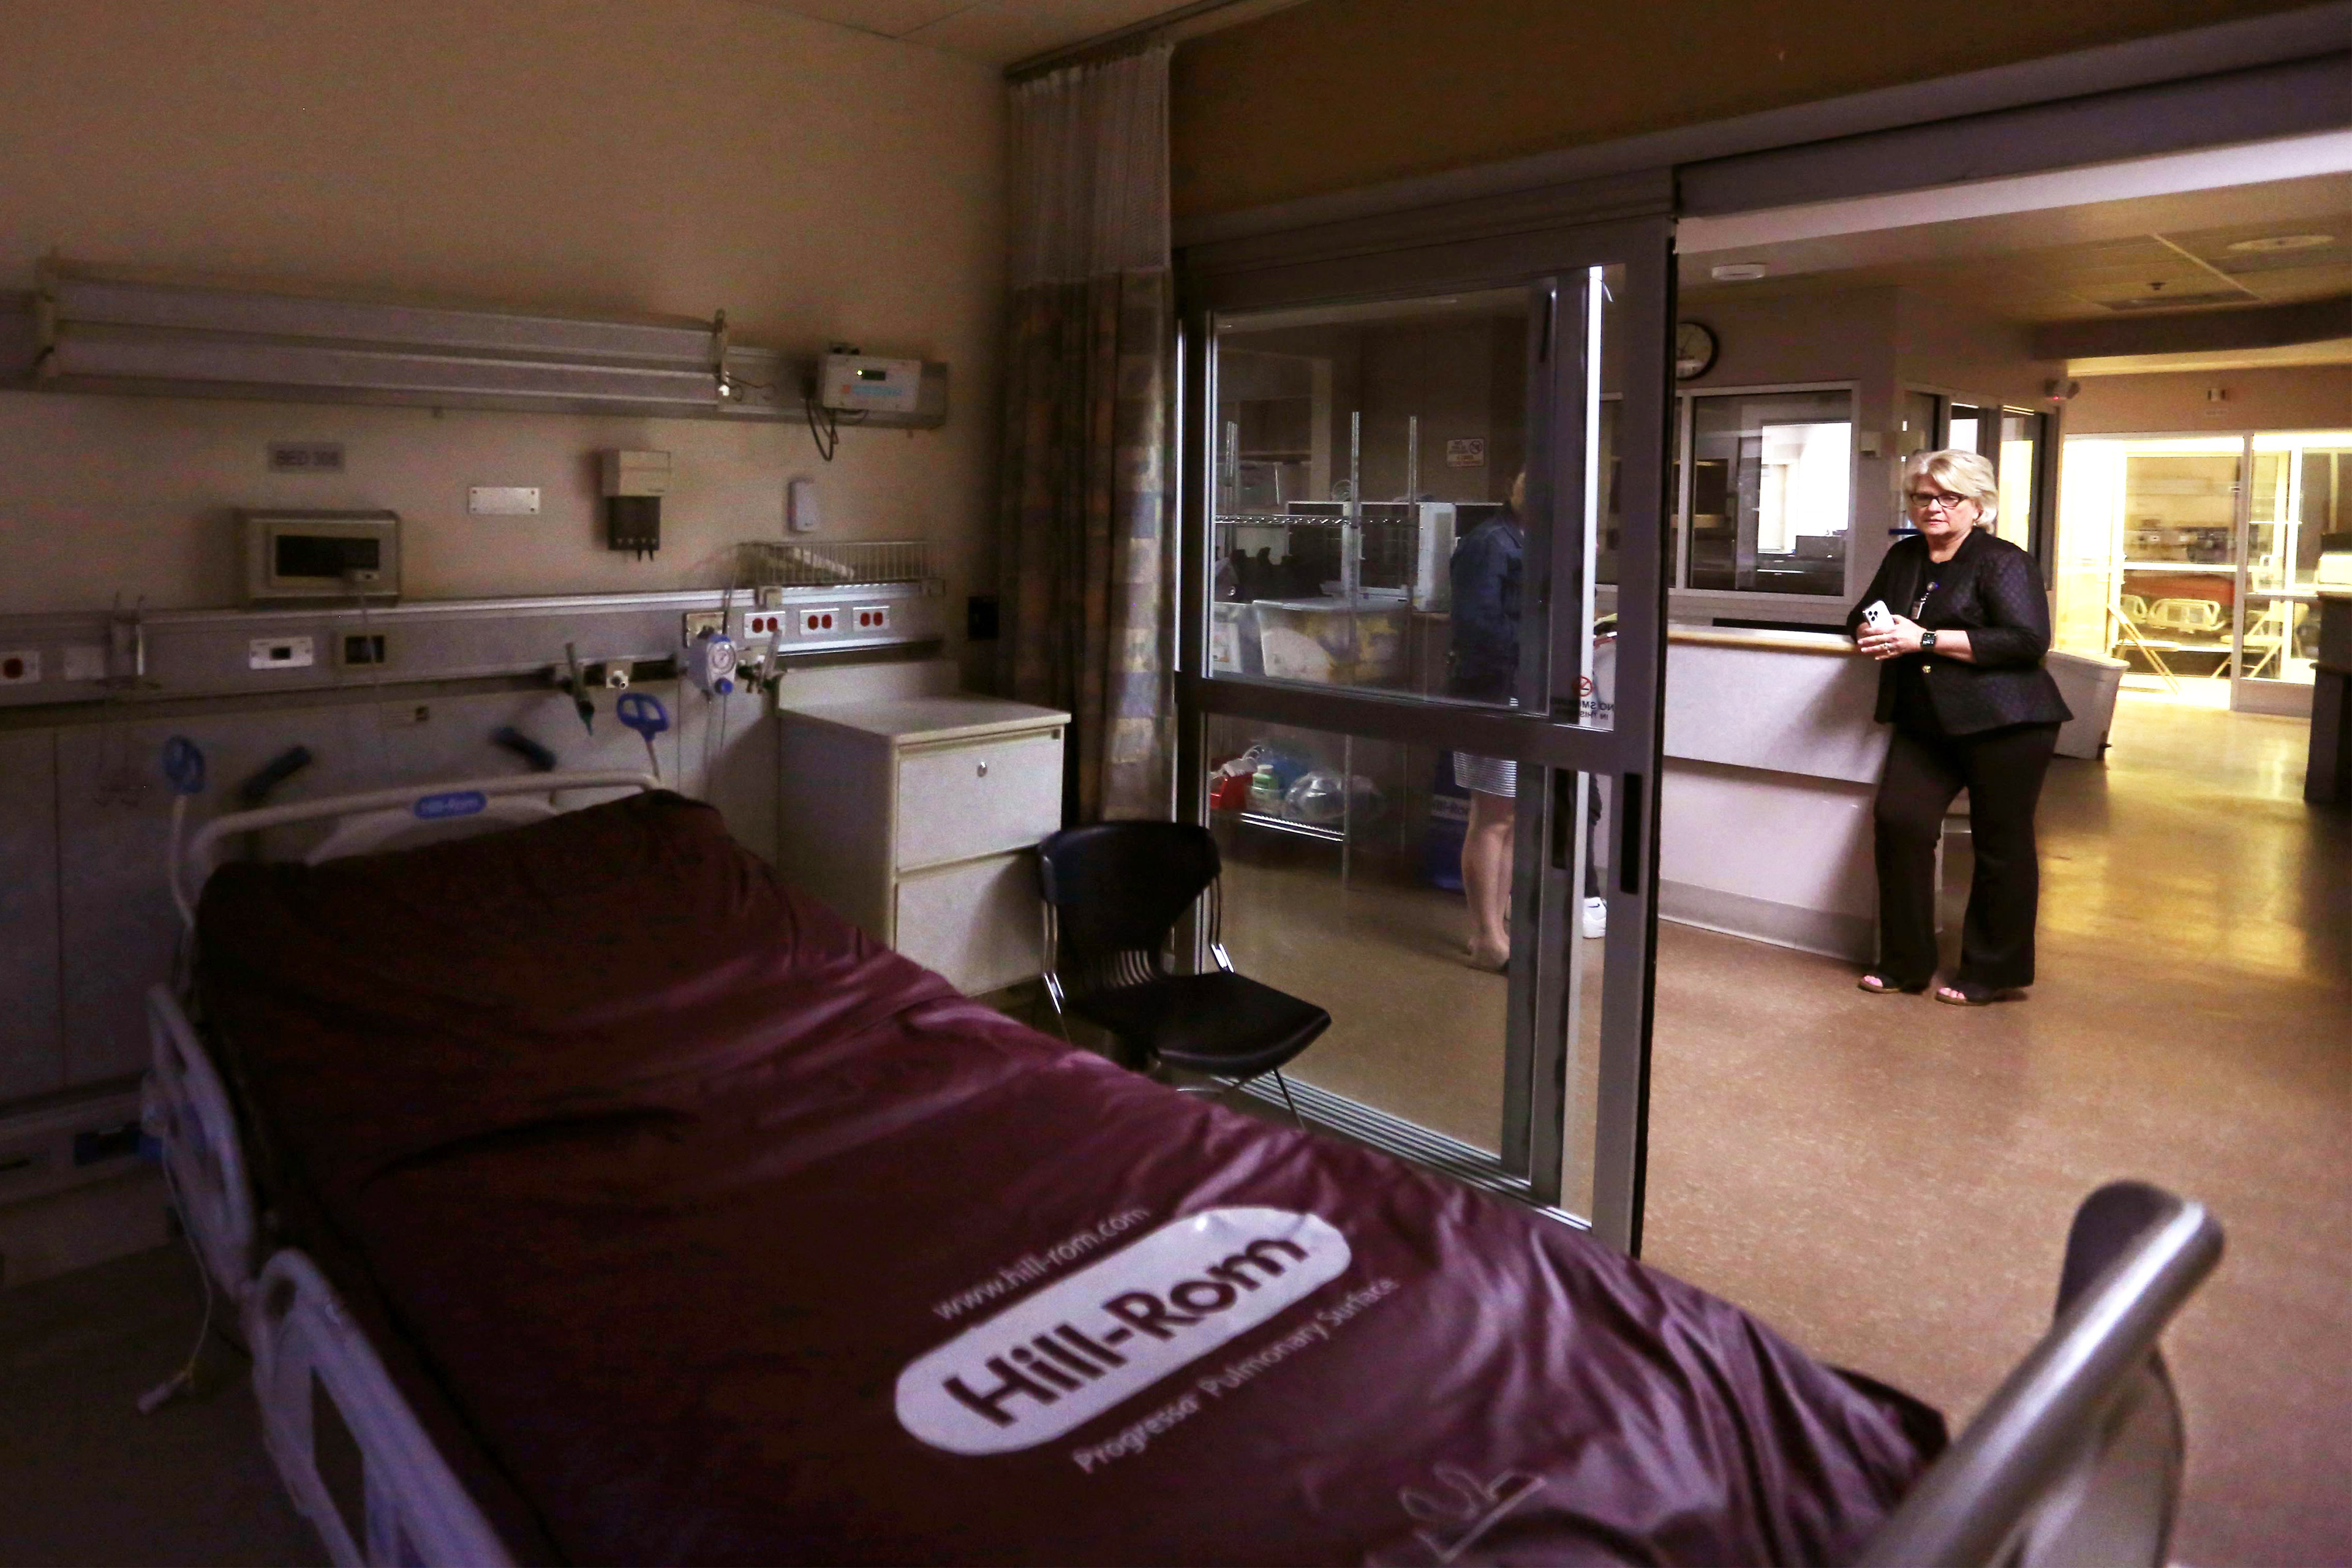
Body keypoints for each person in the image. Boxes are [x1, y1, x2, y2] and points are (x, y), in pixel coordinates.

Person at [1849, 448, 2071, 1006]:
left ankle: (1990, 972)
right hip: (1927, 721)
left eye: (1950, 498)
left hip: (2007, 720)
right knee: (1900, 824)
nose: (1935, 508)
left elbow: (2026, 642)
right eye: (1924, 497)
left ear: (1979, 507)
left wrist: (1923, 639)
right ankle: (1905, 963)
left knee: (2001, 845)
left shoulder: (2003, 561)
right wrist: (1871, 630)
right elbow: (1862, 612)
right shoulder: (1904, 558)